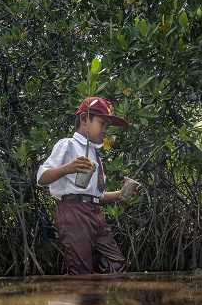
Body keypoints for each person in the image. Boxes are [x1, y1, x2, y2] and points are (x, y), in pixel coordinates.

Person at [37, 97, 139, 275]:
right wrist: (68, 168)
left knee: (117, 265)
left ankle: (97, 300)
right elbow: (41, 177)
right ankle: (81, 299)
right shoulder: (68, 145)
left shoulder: (94, 153)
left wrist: (121, 194)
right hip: (73, 211)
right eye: (102, 123)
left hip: (94, 211)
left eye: (107, 127)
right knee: (81, 269)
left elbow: (96, 195)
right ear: (84, 119)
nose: (105, 130)